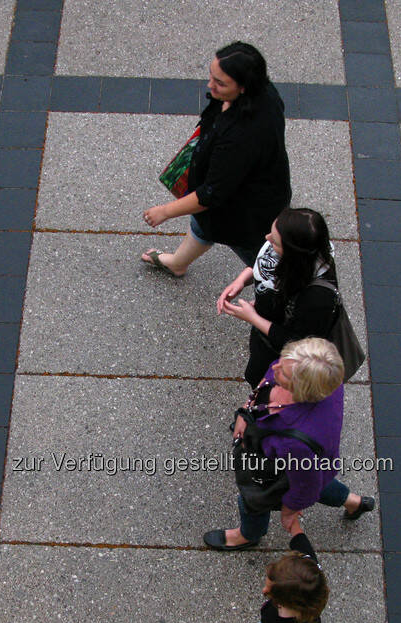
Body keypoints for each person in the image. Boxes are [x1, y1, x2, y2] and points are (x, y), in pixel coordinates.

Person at [203, 337, 375, 552]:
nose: (275, 367)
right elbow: (269, 379)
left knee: (254, 500)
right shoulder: (323, 376)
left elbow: (305, 487)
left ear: (302, 389)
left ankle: (247, 535)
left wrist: (290, 509)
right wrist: (246, 411)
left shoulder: (295, 443)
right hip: (312, 466)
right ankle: (354, 502)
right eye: (282, 359)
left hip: (283, 466)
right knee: (317, 480)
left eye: (283, 373)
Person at [141, 41, 291, 277]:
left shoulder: (241, 136)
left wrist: (165, 211)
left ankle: (283, 291)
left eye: (220, 83)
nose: (210, 86)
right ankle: (178, 262)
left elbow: (210, 194)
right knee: (204, 225)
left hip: (247, 213)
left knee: (266, 260)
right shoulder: (264, 93)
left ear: (244, 87)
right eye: (211, 76)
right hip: (258, 192)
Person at [217, 207, 341, 388]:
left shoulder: (318, 298)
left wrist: (252, 317)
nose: (267, 239)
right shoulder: (305, 256)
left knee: (262, 382)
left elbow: (298, 343)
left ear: (293, 253)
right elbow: (266, 267)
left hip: (280, 355)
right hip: (266, 333)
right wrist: (242, 279)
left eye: (275, 242)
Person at [223, 533, 341, 623]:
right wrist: (296, 530)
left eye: (271, 594)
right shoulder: (312, 585)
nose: (264, 591)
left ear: (288, 602)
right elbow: (306, 552)